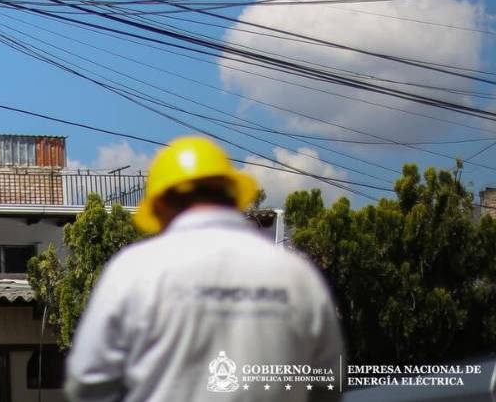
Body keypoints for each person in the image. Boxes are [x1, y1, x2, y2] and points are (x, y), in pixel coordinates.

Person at [65, 136, 343, 402]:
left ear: (160, 206)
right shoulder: (297, 276)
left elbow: (88, 382)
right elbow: (329, 382)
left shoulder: (134, 271)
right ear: (233, 195)